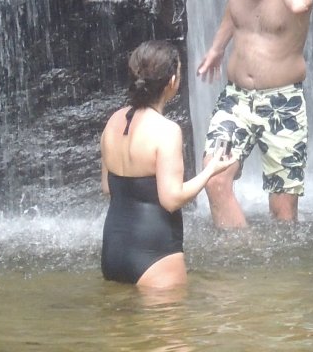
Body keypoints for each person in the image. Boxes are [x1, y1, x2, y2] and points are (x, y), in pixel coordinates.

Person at [196, 0, 313, 228]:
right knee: (214, 178)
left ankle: (279, 271)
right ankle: (240, 254)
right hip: (235, 102)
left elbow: (299, 4)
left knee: (283, 207)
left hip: (283, 105)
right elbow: (234, 9)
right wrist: (217, 47)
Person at [101, 40, 237, 289]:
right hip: (155, 252)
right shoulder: (167, 131)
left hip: (113, 249)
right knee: (170, 327)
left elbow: (108, 187)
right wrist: (211, 170)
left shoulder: (113, 121)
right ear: (172, 81)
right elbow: (171, 198)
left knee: (121, 328)